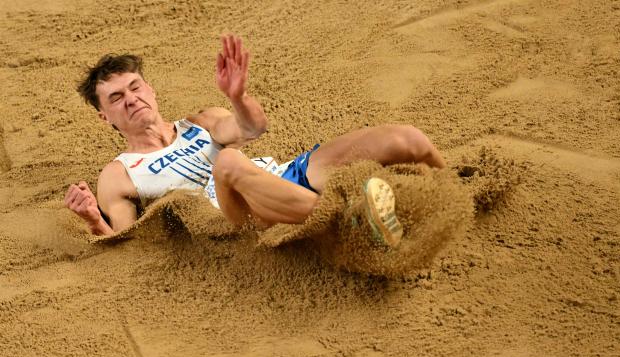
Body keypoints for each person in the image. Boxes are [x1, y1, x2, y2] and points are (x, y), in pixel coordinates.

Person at [64, 34, 446, 247]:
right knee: (227, 163)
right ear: (104, 116)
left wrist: (237, 98)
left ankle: (456, 194)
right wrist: (93, 219)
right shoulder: (119, 174)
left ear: (150, 89)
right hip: (238, 218)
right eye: (116, 98)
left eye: (134, 87)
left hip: (283, 178)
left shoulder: (200, 121)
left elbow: (251, 129)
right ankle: (353, 218)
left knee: (405, 139)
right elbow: (125, 242)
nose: (131, 99)